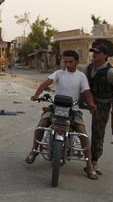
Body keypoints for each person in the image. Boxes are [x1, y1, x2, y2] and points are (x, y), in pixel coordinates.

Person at [24, 50, 100, 179]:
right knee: (41, 125)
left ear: (76, 61)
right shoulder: (58, 73)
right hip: (56, 107)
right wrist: (37, 94)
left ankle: (89, 165)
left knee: (83, 134)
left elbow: (87, 92)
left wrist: (91, 104)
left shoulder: (81, 76)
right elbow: (45, 83)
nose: (68, 64)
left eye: (70, 62)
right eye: (65, 62)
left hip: (73, 109)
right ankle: (34, 150)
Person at [85, 44, 113, 175]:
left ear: (105, 55)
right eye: (93, 52)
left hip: (102, 104)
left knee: (98, 131)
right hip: (88, 99)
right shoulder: (90, 67)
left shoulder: (110, 72)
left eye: (97, 53)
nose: (94, 55)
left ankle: (94, 160)